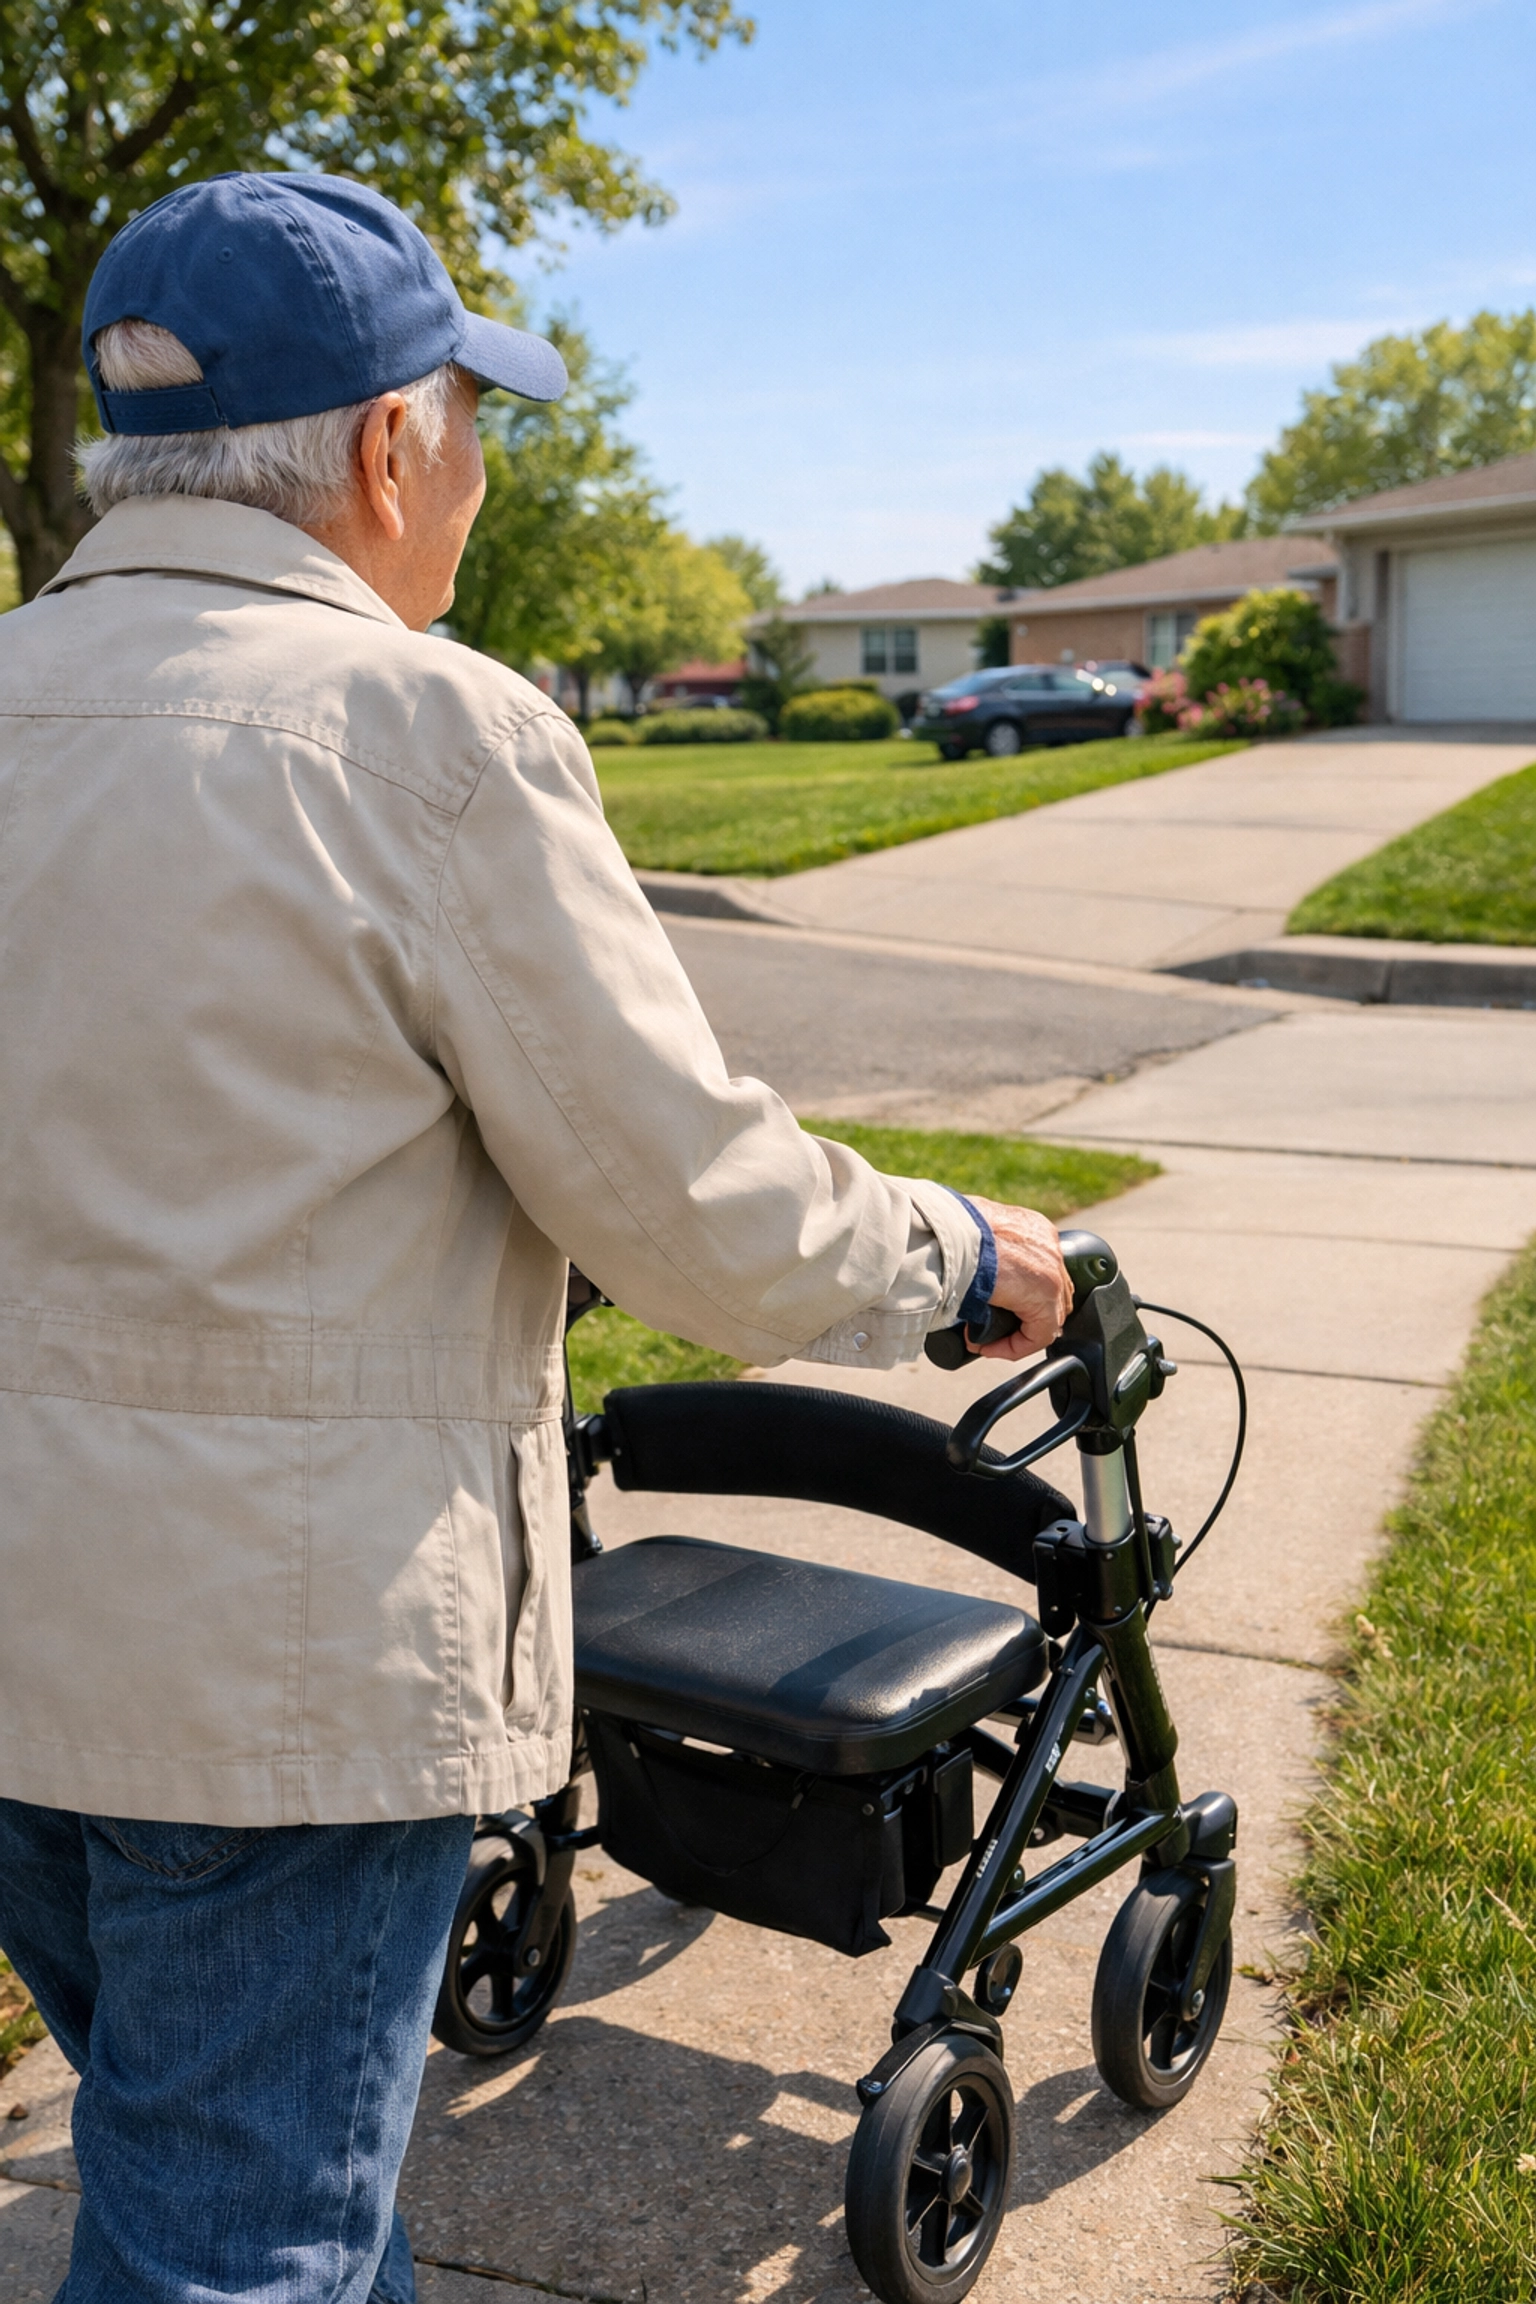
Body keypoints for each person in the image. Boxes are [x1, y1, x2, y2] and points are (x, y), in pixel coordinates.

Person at [0, 173, 1072, 2303]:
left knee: (226, 2159)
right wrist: (959, 1257)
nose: (479, 483)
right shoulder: (420, 734)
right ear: (389, 447)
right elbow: (691, 1202)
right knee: (244, 2247)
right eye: (471, 429)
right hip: (268, 1673)